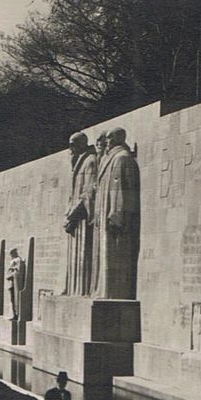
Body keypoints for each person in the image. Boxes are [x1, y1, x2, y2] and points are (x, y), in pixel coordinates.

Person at [90, 127, 140, 299]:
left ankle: (112, 293)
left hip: (113, 220)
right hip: (103, 216)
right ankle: (105, 291)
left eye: (110, 138)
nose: (107, 142)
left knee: (113, 258)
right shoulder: (109, 159)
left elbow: (122, 190)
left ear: (118, 138)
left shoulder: (122, 158)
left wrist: (117, 214)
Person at [63, 132, 97, 295]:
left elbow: (89, 192)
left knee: (83, 257)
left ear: (83, 144)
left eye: (73, 144)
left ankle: (82, 291)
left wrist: (73, 214)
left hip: (83, 218)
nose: (70, 148)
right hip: (75, 218)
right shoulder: (77, 162)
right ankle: (73, 290)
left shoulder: (90, 161)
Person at [5, 247, 26, 319]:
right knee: (12, 298)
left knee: (16, 298)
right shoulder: (13, 261)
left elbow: (18, 272)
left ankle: (17, 314)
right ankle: (13, 314)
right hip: (11, 283)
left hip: (16, 282)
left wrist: (11, 273)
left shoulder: (18, 260)